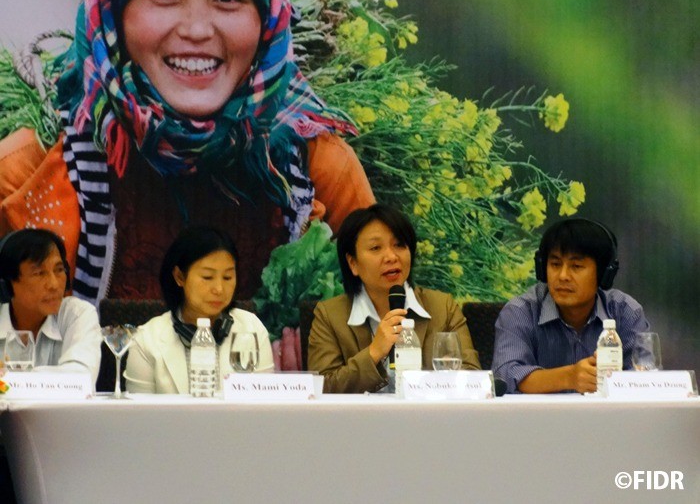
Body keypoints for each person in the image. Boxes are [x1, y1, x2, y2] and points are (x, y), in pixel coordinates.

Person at [0, 0, 374, 304]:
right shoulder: (26, 173)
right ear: (113, 11)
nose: (196, 30)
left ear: (268, 18)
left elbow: (379, 327)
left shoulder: (317, 170)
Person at [308, 204, 480, 393]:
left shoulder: (442, 307)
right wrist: (374, 352)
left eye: (399, 245)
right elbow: (322, 387)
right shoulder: (330, 316)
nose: (391, 257)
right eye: (375, 248)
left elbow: (472, 378)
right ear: (353, 263)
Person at [492, 218, 650, 394]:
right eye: (555, 264)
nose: (563, 276)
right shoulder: (520, 312)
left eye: (576, 266)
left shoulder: (625, 312)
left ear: (604, 273)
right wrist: (569, 377)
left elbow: (645, 380)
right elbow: (505, 376)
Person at [125, 226, 274, 393]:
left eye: (227, 277)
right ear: (179, 277)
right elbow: (139, 409)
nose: (219, 289)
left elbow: (265, 403)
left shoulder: (252, 329)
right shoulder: (147, 340)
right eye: (207, 277)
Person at [0, 228, 102, 383]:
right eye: (39, 273)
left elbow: (80, 379)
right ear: (7, 285)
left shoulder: (77, 314)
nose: (54, 285)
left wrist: (13, 378)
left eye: (59, 270)